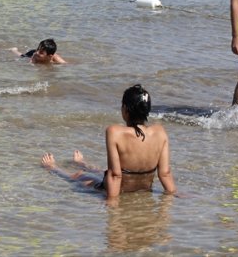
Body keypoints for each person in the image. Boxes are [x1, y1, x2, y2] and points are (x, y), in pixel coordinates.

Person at [40, 84, 177, 202]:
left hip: (119, 188)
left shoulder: (115, 132)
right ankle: (82, 163)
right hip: (142, 188)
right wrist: (173, 193)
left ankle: (52, 168)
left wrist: (112, 202)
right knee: (100, 171)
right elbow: (165, 173)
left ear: (125, 110)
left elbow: (115, 175)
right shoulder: (160, 132)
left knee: (80, 176)